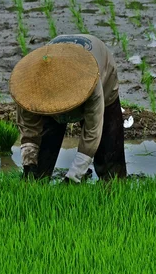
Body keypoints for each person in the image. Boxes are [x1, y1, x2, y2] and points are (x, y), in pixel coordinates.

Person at [9, 34, 127, 182]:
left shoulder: (91, 84)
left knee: (109, 151)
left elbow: (92, 131)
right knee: (39, 164)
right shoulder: (30, 86)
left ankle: (113, 185)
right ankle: (37, 180)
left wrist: (73, 177)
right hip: (50, 77)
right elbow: (28, 127)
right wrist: (29, 163)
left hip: (102, 68)